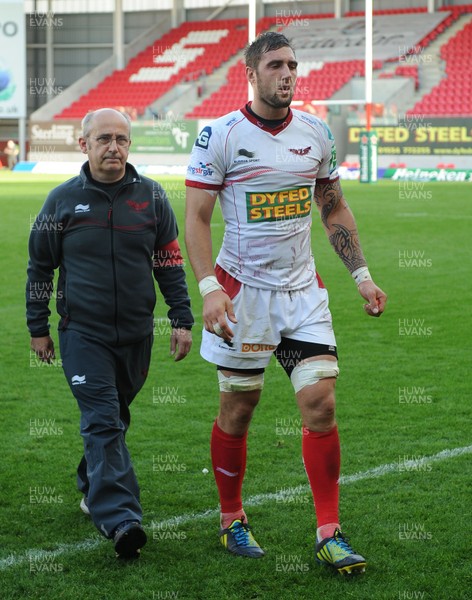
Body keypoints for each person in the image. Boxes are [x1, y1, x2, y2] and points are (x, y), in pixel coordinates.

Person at [184, 32, 387, 576]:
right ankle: (231, 518)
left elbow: (334, 209)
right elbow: (197, 219)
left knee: (320, 405)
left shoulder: (316, 133)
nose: (288, 73)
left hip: (303, 294)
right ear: (251, 74)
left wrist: (362, 276)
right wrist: (208, 289)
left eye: (294, 65)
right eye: (276, 65)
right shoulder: (219, 136)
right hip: (242, 295)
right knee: (239, 409)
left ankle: (329, 531)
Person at [26, 108, 193, 559]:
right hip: (83, 335)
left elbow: (169, 263)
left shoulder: (153, 198)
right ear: (85, 145)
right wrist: (37, 328)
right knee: (103, 419)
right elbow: (40, 268)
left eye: (122, 138)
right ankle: (121, 519)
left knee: (113, 419)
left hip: (138, 336)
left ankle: (90, 482)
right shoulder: (60, 201)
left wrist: (181, 318)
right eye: (104, 138)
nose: (114, 147)